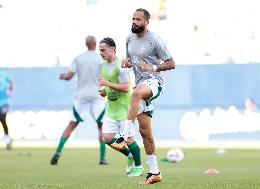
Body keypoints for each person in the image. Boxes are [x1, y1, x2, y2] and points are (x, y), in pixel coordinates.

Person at [116, 8, 175, 184]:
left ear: (147, 21)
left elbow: (171, 63)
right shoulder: (129, 38)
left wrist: (154, 68)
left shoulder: (155, 40)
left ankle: (123, 137)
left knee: (135, 94)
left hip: (154, 82)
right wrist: (126, 63)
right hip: (140, 84)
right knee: (145, 131)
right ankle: (155, 172)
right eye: (133, 18)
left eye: (138, 19)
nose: (134, 21)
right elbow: (130, 61)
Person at [50, 35, 108, 165]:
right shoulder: (101, 58)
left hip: (81, 96)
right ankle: (103, 158)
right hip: (97, 95)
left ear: (86, 44)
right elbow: (107, 75)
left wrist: (63, 76)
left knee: (71, 125)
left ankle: (58, 152)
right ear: (95, 44)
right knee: (101, 127)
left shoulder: (78, 58)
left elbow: (69, 76)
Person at [98, 37, 143, 177]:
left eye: (103, 50)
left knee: (129, 140)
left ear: (113, 49)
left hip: (125, 110)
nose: (101, 53)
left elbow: (125, 87)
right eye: (99, 50)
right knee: (106, 138)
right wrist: (105, 91)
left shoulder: (121, 65)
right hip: (112, 110)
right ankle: (129, 155)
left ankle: (139, 166)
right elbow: (110, 84)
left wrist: (106, 83)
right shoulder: (103, 65)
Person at [0, 70, 14, 150]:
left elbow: (12, 83)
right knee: (1, 119)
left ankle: (7, 137)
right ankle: (7, 137)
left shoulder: (4, 74)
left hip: (5, 101)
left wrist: (9, 90)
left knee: (2, 117)